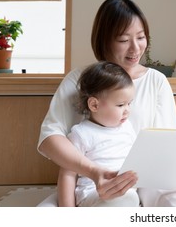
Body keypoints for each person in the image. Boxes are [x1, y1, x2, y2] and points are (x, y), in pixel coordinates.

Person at [37, 0, 176, 207]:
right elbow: (50, 139)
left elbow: (170, 144)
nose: (135, 49)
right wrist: (94, 173)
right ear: (105, 40)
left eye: (141, 37)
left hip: (150, 181)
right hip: (91, 184)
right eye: (123, 40)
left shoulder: (156, 81)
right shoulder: (79, 81)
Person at [58, 61, 139, 207]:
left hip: (126, 192)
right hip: (92, 195)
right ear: (94, 105)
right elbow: (67, 174)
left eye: (129, 103)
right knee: (127, 198)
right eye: (121, 105)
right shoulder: (82, 133)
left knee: (130, 198)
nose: (127, 110)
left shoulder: (127, 127)